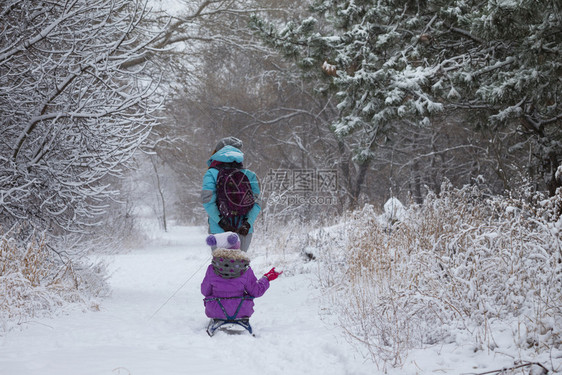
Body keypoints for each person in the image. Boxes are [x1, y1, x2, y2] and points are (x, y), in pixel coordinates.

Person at [201, 232, 282, 334]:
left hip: (216, 310)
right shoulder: (245, 268)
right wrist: (266, 278)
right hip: (241, 310)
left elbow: (205, 291)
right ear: (237, 247)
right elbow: (256, 291)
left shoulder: (212, 268)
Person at [200, 137, 261, 251]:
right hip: (244, 231)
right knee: (240, 265)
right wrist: (247, 224)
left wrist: (222, 223)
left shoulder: (211, 173)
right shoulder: (250, 175)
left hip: (219, 230)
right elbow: (256, 203)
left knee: (221, 266)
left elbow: (207, 201)